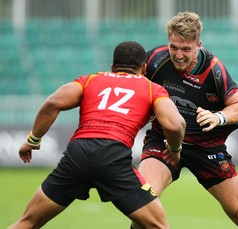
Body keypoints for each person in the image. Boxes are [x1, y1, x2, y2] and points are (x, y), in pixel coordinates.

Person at [8, 40, 186, 229]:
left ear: (112, 67)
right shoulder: (152, 88)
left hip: (78, 153)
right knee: (158, 226)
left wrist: (33, 140)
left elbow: (53, 103)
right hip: (113, 155)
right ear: (143, 68)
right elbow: (175, 125)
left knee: (28, 222)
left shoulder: (90, 80)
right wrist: (175, 150)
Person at [138, 11, 238, 229]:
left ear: (198, 45)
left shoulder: (214, 69)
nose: (178, 55)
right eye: (174, 47)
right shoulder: (155, 59)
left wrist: (218, 116)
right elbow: (133, 86)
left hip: (207, 147)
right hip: (164, 141)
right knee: (142, 203)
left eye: (186, 49)